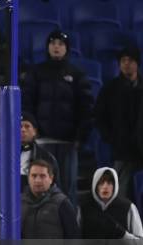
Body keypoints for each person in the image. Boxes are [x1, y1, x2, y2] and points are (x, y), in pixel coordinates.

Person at [22, 30, 93, 207]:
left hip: (68, 143)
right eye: (53, 42)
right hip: (43, 142)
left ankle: (69, 227)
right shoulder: (36, 72)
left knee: (68, 187)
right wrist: (34, 132)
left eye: (60, 43)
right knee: (41, 185)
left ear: (66, 48)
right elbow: (27, 103)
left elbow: (86, 108)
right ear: (47, 47)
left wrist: (80, 137)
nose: (56, 46)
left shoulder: (77, 74)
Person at [95, 47, 143, 199]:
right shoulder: (110, 89)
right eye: (123, 61)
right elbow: (99, 116)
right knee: (121, 194)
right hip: (121, 151)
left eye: (130, 60)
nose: (126, 64)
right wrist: (111, 138)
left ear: (137, 63)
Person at [21, 160, 79, 245]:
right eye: (34, 176)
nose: (37, 180)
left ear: (51, 178)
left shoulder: (62, 203)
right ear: (28, 178)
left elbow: (74, 240)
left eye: (42, 176)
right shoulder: (19, 203)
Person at [20, 112, 60, 193]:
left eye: (27, 126)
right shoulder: (3, 155)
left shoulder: (46, 157)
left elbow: (55, 187)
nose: (22, 130)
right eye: (19, 126)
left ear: (34, 131)